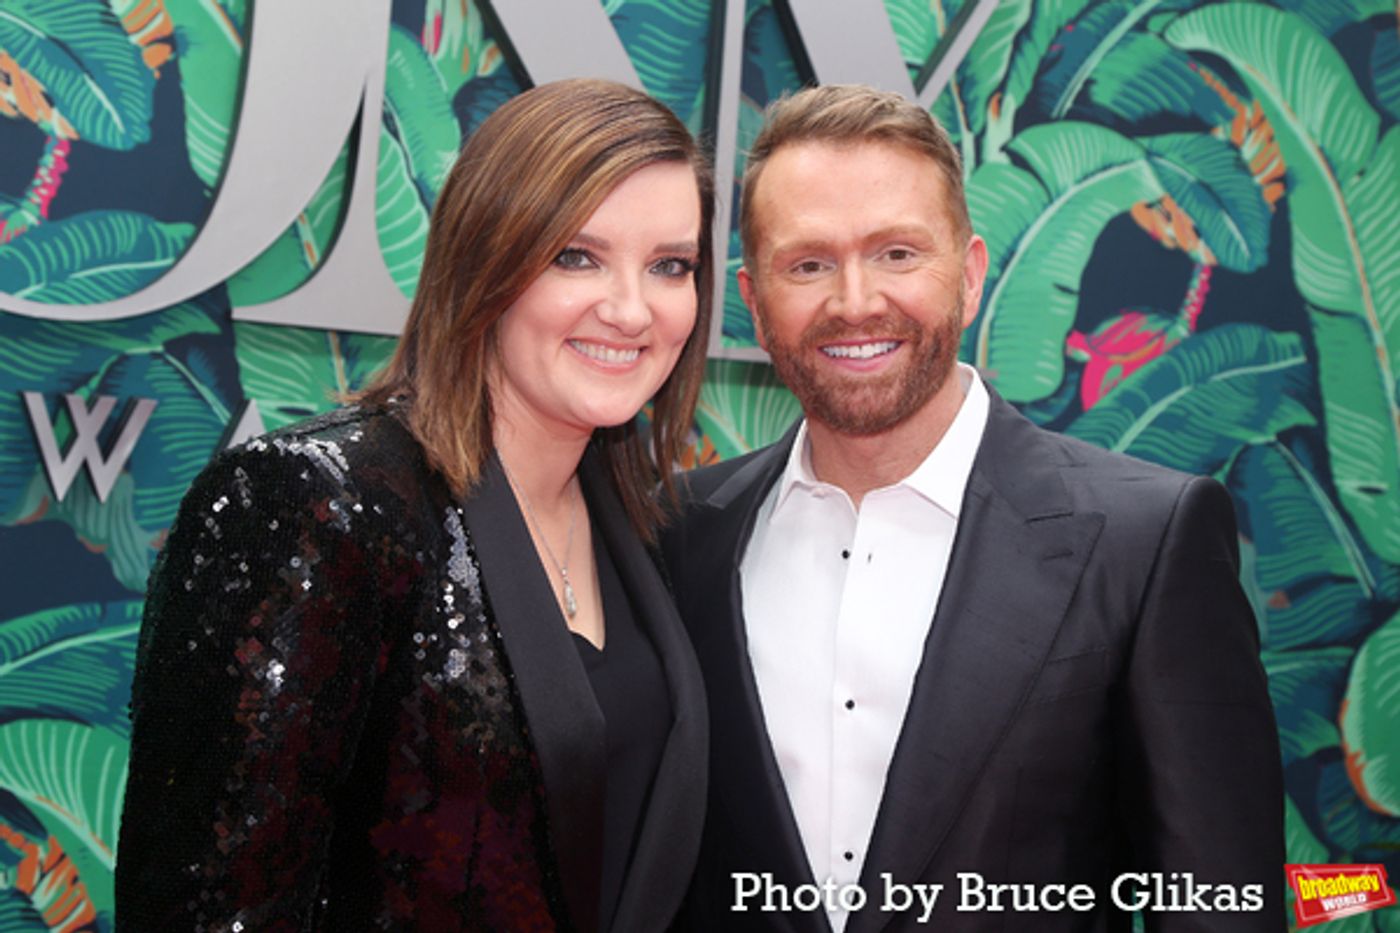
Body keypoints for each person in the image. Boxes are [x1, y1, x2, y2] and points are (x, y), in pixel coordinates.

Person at [661, 84, 1286, 932]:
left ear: (972, 274)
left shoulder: (1146, 541)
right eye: (808, 263)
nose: (855, 300)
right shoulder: (679, 535)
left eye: (897, 254)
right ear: (755, 300)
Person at [117, 78, 713, 932]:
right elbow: (210, 907)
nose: (630, 308)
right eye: (574, 256)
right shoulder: (318, 502)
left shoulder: (639, 523)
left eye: (670, 266)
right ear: (487, 261)